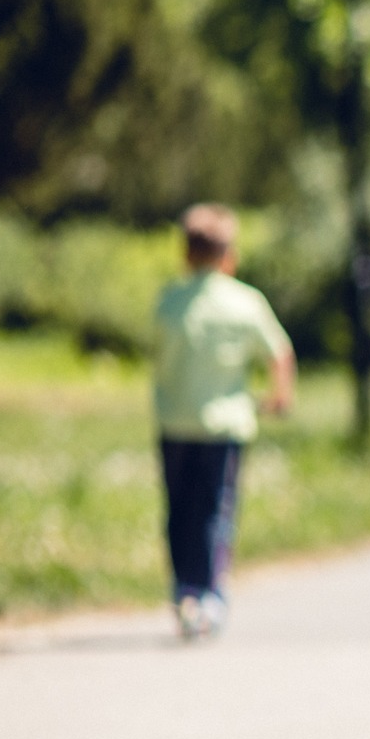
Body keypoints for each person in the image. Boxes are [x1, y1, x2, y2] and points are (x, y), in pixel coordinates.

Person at [152, 204, 294, 642]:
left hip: (175, 422)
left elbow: (158, 358)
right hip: (226, 426)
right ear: (228, 254)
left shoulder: (169, 301)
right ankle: (212, 596)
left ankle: (184, 591)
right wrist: (279, 398)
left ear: (186, 254)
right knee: (216, 510)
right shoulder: (245, 302)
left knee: (178, 511)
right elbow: (279, 352)